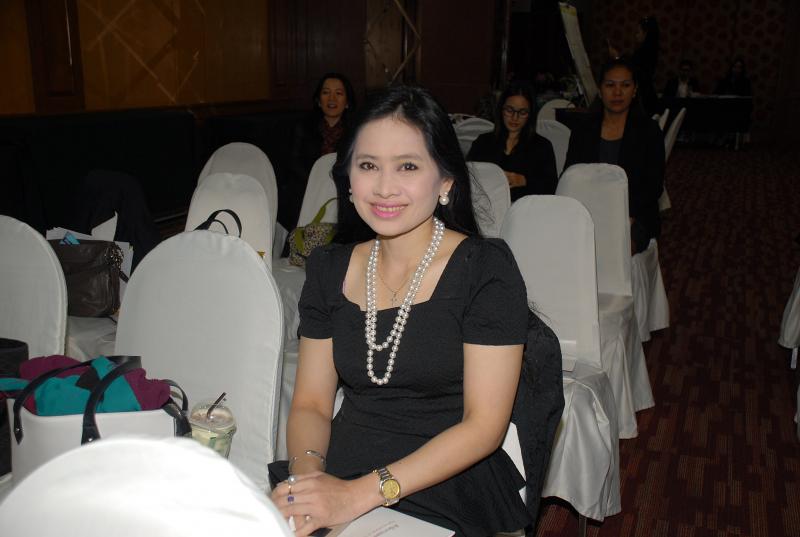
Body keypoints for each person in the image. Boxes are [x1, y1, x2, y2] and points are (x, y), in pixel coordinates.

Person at [271, 85, 533, 536]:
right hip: (343, 464)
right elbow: (311, 403)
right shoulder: (329, 269)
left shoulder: (485, 270)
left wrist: (357, 495)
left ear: (445, 181)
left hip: (445, 478)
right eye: (368, 165)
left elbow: (483, 427)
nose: (384, 187)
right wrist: (308, 480)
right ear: (348, 179)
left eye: (407, 166)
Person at [564, 57, 665, 254]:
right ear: (600, 90)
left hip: (634, 214)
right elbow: (570, 176)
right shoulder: (584, 129)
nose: (617, 92)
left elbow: (653, 187)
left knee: (616, 248)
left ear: (634, 90)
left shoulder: (649, 131)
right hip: (588, 211)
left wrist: (620, 215)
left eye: (625, 85)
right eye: (610, 85)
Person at [286, 73, 356, 227]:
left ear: (347, 102)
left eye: (338, 93)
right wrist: (318, 183)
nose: (332, 98)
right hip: (307, 191)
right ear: (318, 100)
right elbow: (293, 163)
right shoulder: (303, 128)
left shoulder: (356, 132)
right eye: (326, 92)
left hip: (344, 193)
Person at [467, 83, 558, 201]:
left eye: (522, 112)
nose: (515, 118)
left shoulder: (542, 146)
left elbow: (551, 187)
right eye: (509, 110)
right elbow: (467, 178)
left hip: (526, 208)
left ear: (530, 115)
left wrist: (524, 180)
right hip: (487, 206)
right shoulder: (483, 142)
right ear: (501, 110)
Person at [608, 16, 660, 115]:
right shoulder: (650, 50)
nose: (636, 36)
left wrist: (616, 58)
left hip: (643, 99)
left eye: (638, 32)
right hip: (647, 97)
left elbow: (632, 70)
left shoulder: (645, 52)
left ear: (645, 33)